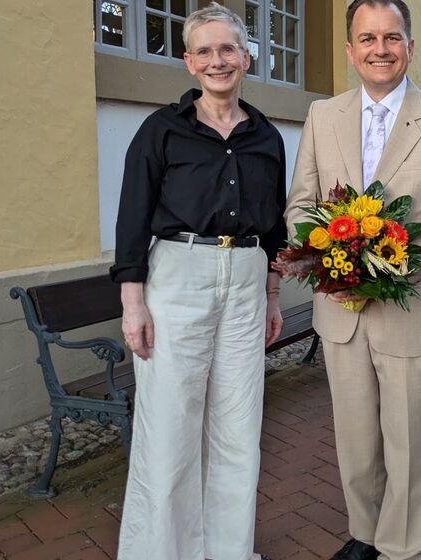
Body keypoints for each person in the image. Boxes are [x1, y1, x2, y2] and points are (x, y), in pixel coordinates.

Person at [285, 1, 421, 558]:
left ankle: (402, 546)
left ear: (410, 47)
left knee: (409, 437)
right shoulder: (323, 116)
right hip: (340, 309)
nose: (380, 49)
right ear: (350, 50)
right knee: (354, 436)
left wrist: (391, 262)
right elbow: (302, 203)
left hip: (408, 305)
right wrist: (327, 257)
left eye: (392, 37)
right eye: (367, 38)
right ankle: (365, 534)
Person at [110, 4, 285, 559]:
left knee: (238, 426)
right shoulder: (161, 130)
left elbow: (274, 224)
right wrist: (132, 304)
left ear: (246, 57)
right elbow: (132, 219)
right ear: (188, 62)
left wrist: (272, 295)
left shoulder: (266, 137)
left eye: (228, 49)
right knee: (169, 427)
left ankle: (229, 550)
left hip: (247, 278)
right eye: (205, 51)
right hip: (178, 277)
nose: (218, 60)